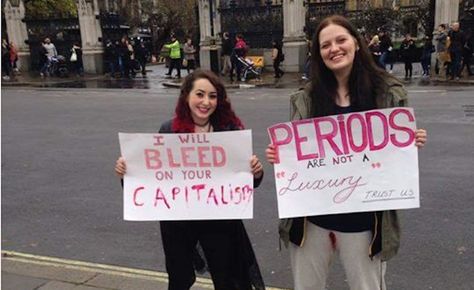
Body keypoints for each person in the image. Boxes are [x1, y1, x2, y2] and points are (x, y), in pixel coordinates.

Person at [265, 15, 427, 290]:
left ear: (356, 42)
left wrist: (410, 141)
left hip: (363, 220)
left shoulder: (386, 92)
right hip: (311, 221)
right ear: (319, 54)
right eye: (326, 45)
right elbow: (298, 155)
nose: (334, 49)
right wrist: (280, 154)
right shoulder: (306, 97)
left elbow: (393, 155)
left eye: (341, 40)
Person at [114, 70, 265, 290]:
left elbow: (245, 182)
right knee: (179, 278)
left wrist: (257, 172)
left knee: (228, 277)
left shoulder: (228, 129)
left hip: (219, 219)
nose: (206, 102)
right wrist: (126, 173)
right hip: (178, 222)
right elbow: (151, 181)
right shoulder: (169, 130)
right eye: (200, 94)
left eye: (212, 96)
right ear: (186, 96)